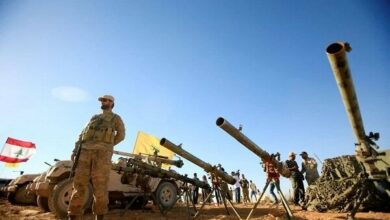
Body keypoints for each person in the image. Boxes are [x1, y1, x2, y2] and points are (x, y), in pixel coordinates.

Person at [68, 95, 125, 220]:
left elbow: (121, 135)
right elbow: (82, 134)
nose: (103, 102)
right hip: (84, 153)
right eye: (102, 100)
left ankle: (99, 216)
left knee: (100, 187)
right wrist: (75, 149)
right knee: (79, 185)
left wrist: (107, 146)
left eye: (105, 100)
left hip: (102, 155)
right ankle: (73, 215)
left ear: (111, 103)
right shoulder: (94, 118)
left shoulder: (116, 118)